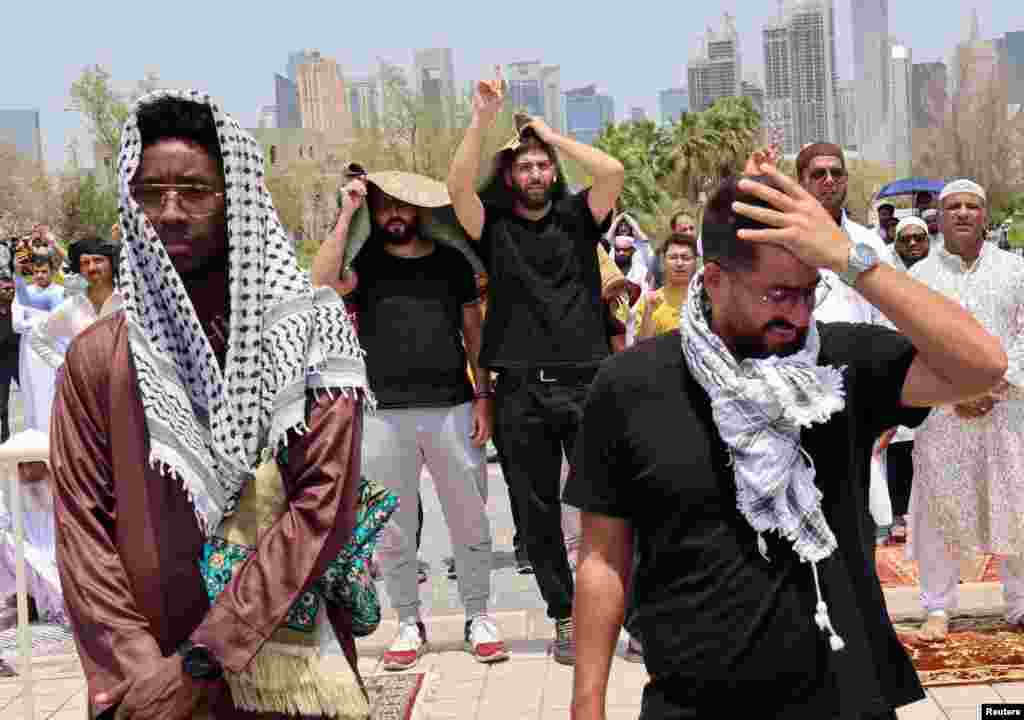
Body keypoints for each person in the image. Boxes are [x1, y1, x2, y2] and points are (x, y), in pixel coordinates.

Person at [566, 165, 1007, 720]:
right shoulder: (630, 384)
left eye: (810, 290)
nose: (799, 314)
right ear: (717, 278)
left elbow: (983, 366)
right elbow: (603, 558)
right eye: (778, 293)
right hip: (694, 701)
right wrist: (588, 705)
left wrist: (853, 262)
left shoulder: (843, 363)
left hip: (844, 698)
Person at [50, 90, 372, 720]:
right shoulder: (97, 356)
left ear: (237, 200)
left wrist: (204, 661)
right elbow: (82, 529)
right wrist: (144, 678)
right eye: (151, 193)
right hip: (143, 684)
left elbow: (320, 510)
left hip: (286, 669)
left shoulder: (307, 335)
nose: (170, 211)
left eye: (194, 191)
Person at [447, 75, 624, 665]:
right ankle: (565, 615)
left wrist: (550, 134)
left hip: (588, 382)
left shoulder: (578, 217)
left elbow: (613, 172)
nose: (534, 174)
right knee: (535, 510)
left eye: (541, 165)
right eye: (523, 166)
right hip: (520, 390)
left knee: (611, 502)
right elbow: (455, 187)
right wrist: (483, 118)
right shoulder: (491, 225)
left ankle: (634, 612)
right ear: (509, 176)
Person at [310, 168, 507, 669]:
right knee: (393, 527)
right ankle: (406, 621)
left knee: (469, 517)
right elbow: (321, 281)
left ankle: (478, 616)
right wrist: (348, 210)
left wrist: (484, 396)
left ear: (419, 209)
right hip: (383, 414)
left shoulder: (451, 264)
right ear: (375, 213)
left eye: (402, 205)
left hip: (453, 406)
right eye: (384, 207)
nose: (394, 215)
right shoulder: (365, 262)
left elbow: (474, 335)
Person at [905, 179, 1024, 642]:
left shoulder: (1016, 271)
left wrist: (994, 385)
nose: (961, 213)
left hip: (1008, 409)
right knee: (941, 508)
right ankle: (937, 606)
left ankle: (1019, 603)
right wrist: (956, 391)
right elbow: (913, 344)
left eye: (971, 206)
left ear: (985, 215)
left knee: (1016, 504)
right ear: (938, 216)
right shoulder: (921, 278)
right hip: (943, 414)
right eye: (952, 206)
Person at [877, 217, 934, 545]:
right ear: (896, 243)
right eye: (906, 239)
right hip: (899, 363)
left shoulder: (943, 273)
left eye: (919, 238)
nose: (913, 244)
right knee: (899, 446)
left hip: (936, 367)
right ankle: (897, 514)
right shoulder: (887, 274)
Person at [30, 237, 122, 369]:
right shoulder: (72, 306)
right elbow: (36, 337)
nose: (91, 267)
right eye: (85, 263)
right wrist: (63, 367)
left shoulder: (128, 303)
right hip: (88, 384)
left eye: (98, 260)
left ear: (111, 263)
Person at [12, 252, 64, 434]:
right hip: (31, 351)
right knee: (34, 394)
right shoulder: (24, 292)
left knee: (55, 394)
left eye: (44, 271)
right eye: (36, 272)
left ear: (52, 272)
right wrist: (40, 322)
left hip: (56, 349)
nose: (40, 275)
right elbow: (17, 324)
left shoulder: (60, 292)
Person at [636, 233, 699, 341]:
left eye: (685, 258)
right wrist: (648, 314)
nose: (679, 263)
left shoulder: (706, 300)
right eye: (673, 257)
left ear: (695, 262)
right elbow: (641, 347)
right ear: (663, 261)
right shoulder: (650, 302)